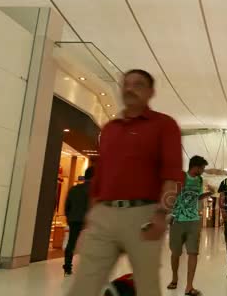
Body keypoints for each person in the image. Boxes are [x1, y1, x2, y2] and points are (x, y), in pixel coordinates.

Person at [66, 69, 183, 296]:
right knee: (83, 285)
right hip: (103, 216)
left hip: (143, 216)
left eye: (138, 84)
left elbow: (173, 175)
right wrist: (91, 217)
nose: (129, 89)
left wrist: (161, 215)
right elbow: (100, 176)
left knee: (147, 286)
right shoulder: (110, 129)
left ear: (151, 92)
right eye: (126, 84)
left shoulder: (164, 125)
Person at [167, 156, 213, 296]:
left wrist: (208, 193)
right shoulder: (182, 176)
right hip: (178, 220)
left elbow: (196, 196)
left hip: (193, 220)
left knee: (193, 252)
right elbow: (174, 196)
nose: (203, 170)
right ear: (196, 167)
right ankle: (175, 278)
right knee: (176, 253)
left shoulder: (199, 180)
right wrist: (171, 214)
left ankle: (189, 286)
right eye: (202, 168)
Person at [63, 166, 94, 276]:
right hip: (88, 221)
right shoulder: (94, 191)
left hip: (74, 219)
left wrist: (69, 217)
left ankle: (67, 267)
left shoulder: (74, 189)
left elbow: (67, 206)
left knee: (71, 243)